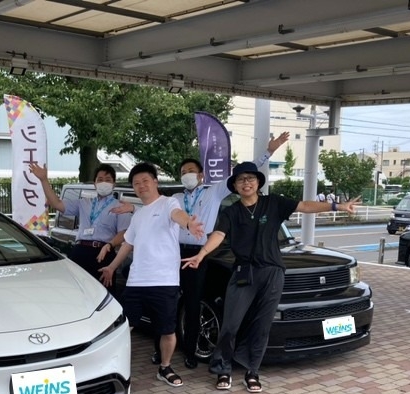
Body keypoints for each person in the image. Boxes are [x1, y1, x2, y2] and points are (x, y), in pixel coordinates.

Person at [114, 133, 290, 370]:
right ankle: (159, 351)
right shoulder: (175, 197)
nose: (187, 174)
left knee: (193, 303)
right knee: (164, 304)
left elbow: (242, 173)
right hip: (174, 254)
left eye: (191, 171)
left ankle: (190, 352)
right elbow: (154, 207)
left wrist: (268, 152)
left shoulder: (213, 192)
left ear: (201, 175)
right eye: (183, 172)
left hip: (199, 253)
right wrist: (131, 208)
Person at [182, 161, 360, 392]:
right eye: (241, 180)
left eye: (250, 178)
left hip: (272, 272)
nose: (246, 183)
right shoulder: (231, 212)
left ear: (258, 182)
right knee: (231, 324)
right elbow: (218, 234)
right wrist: (202, 253)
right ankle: (223, 369)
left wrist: (337, 206)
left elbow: (305, 205)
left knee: (262, 325)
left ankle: (252, 371)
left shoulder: (273, 203)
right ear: (235, 186)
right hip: (243, 273)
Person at [99, 162, 204, 388]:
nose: (141, 185)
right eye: (136, 183)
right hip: (136, 282)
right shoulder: (138, 215)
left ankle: (165, 367)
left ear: (155, 182)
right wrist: (112, 267)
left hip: (164, 281)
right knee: (123, 327)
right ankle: (111, 368)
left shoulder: (168, 203)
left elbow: (178, 215)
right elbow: (128, 244)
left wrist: (188, 224)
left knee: (167, 329)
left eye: (145, 181)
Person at [29, 162, 131, 294]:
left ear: (114, 184)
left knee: (102, 293)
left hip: (103, 253)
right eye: (100, 179)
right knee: (76, 292)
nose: (104, 183)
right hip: (80, 250)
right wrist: (44, 180)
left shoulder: (121, 206)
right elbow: (57, 203)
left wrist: (110, 245)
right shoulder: (84, 203)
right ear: (94, 183)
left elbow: (124, 232)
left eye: (108, 180)